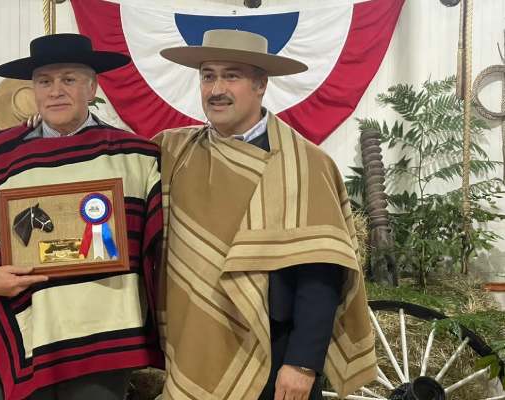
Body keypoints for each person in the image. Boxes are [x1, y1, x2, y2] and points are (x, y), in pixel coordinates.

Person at [0, 33, 163, 400]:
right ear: (33, 91)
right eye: (45, 81)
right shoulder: (0, 154)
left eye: (69, 79)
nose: (56, 91)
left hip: (103, 342)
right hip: (24, 329)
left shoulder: (135, 157)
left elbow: (161, 247)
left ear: (92, 88)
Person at [152, 29, 377, 400]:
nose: (216, 89)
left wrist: (304, 363)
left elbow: (321, 273)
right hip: (196, 346)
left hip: (277, 355)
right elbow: (111, 167)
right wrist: (44, 135)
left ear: (260, 84)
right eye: (208, 76)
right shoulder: (174, 153)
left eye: (232, 76)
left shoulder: (305, 164)